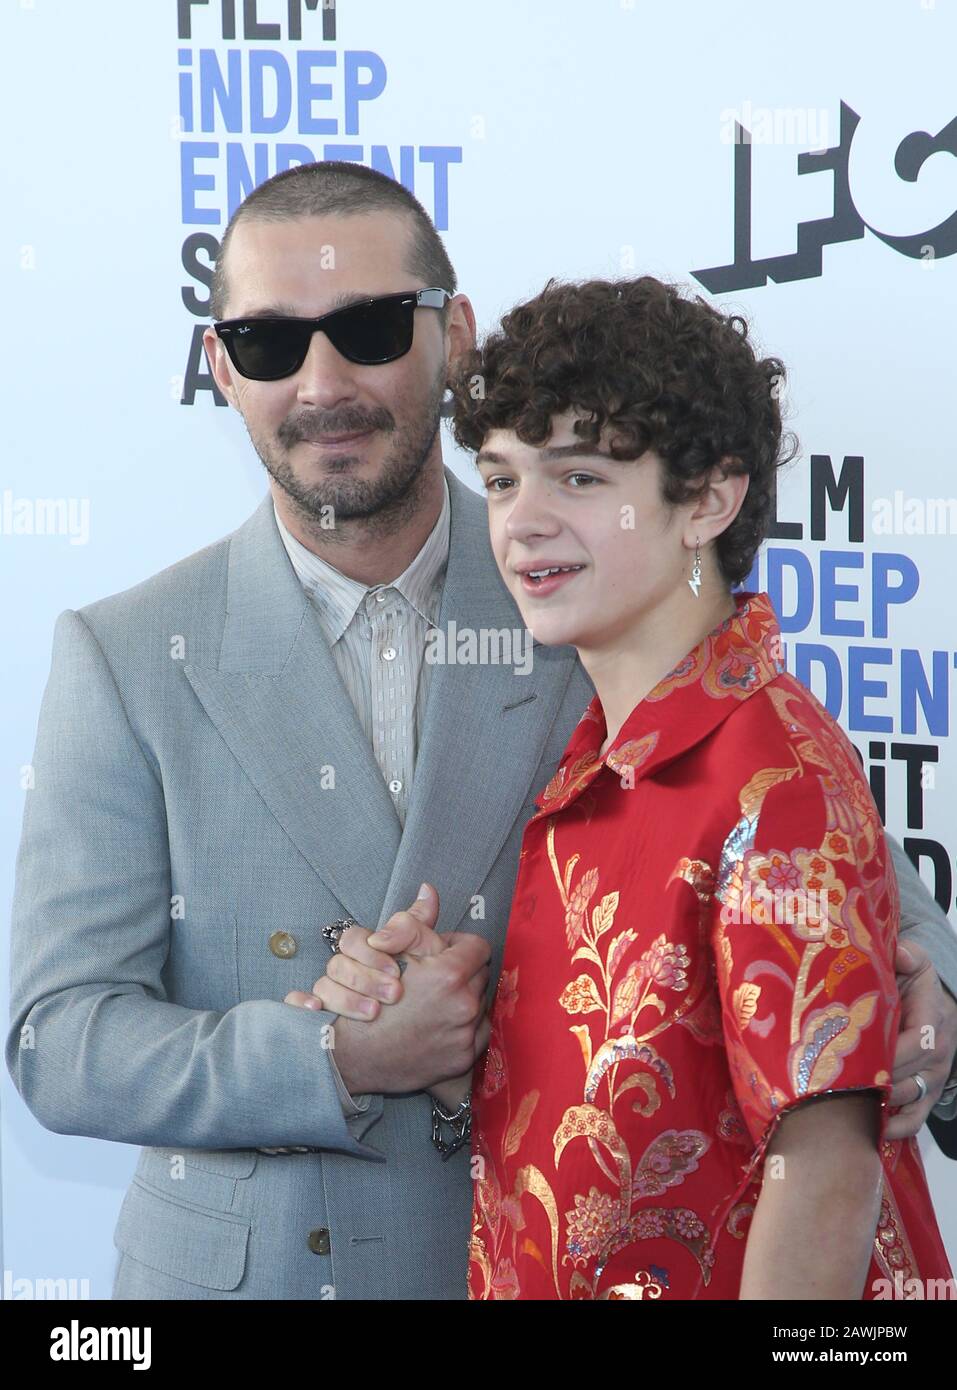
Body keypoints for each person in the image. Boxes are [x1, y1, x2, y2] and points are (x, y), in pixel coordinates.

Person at [6, 164, 956, 1302]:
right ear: (219, 366)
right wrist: (335, 1057)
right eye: (267, 343)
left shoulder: (593, 592)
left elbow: (862, 900)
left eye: (366, 328)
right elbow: (59, 1040)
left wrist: (917, 1019)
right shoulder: (128, 652)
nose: (322, 383)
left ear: (451, 334)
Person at [450, 275, 953, 1297]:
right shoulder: (603, 761)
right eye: (501, 480)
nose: (522, 523)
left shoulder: (770, 778)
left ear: (710, 499)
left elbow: (823, 1172)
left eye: (579, 478)